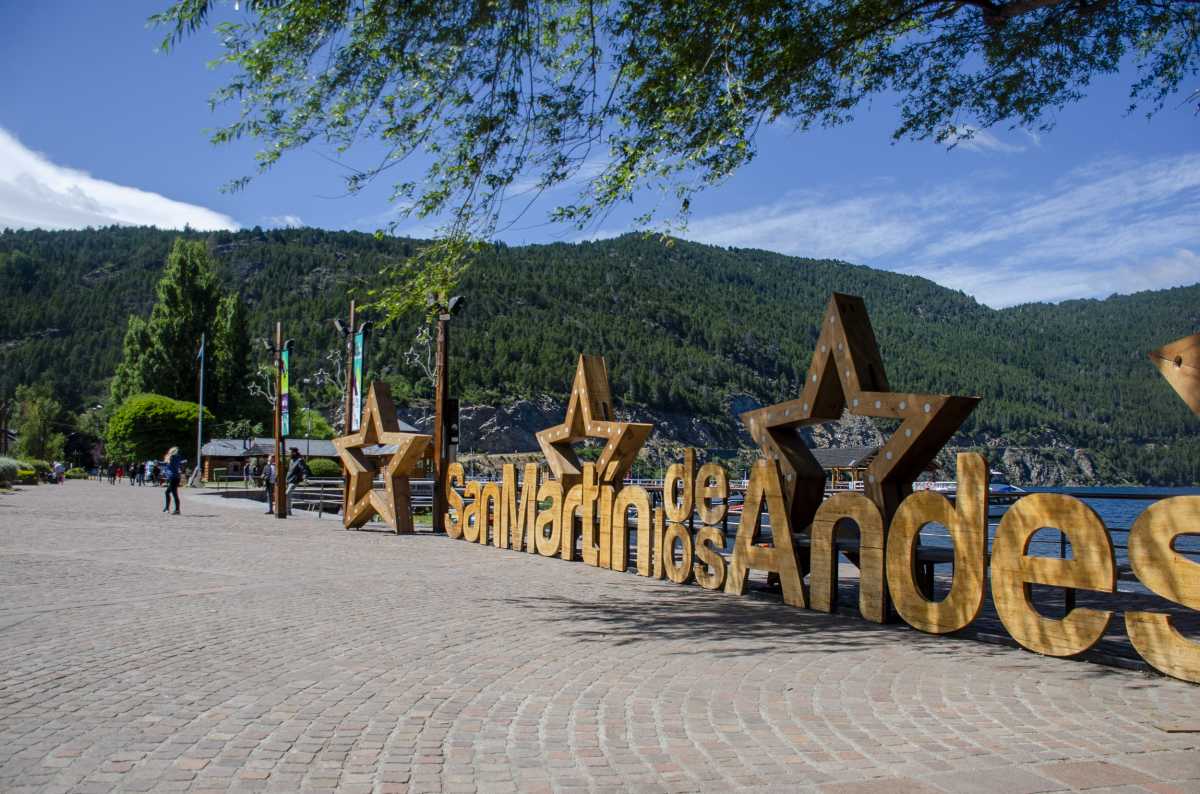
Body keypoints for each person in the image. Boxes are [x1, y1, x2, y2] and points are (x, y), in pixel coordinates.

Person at [285, 447, 310, 516]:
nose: (289, 454)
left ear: (294, 452)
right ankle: (288, 510)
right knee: (287, 495)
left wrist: (305, 477)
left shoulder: (299, 460)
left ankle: (288, 510)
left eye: (290, 452)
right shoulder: (291, 460)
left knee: (287, 493)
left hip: (294, 480)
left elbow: (304, 469)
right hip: (288, 480)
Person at [162, 447, 182, 514]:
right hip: (175, 477)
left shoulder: (172, 458)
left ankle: (176, 510)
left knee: (174, 494)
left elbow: (165, 463)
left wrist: (168, 456)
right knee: (168, 492)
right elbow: (165, 463)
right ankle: (167, 508)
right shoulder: (177, 457)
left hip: (173, 477)